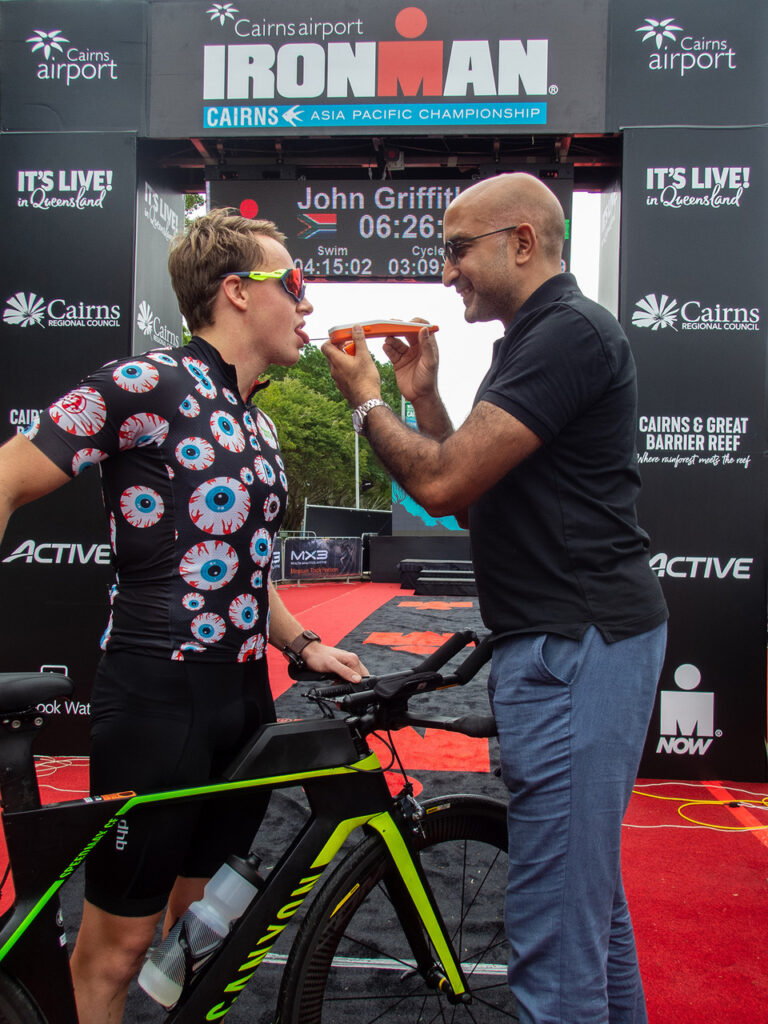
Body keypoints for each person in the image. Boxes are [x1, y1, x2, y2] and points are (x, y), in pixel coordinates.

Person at [0, 207, 366, 1023]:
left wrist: (303, 642)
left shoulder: (260, 420)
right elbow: (7, 477)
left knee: (194, 936)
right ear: (236, 291)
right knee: (116, 950)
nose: (309, 305)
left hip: (243, 700)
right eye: (294, 284)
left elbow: (240, 565)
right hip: (155, 696)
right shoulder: (145, 383)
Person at [322, 173, 668, 1024]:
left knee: (554, 937)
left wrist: (367, 404)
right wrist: (425, 399)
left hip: (578, 645)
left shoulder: (567, 333)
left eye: (456, 248)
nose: (447, 273)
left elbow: (440, 484)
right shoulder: (533, 339)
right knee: (590, 910)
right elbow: (479, 498)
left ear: (522, 241)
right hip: (568, 644)